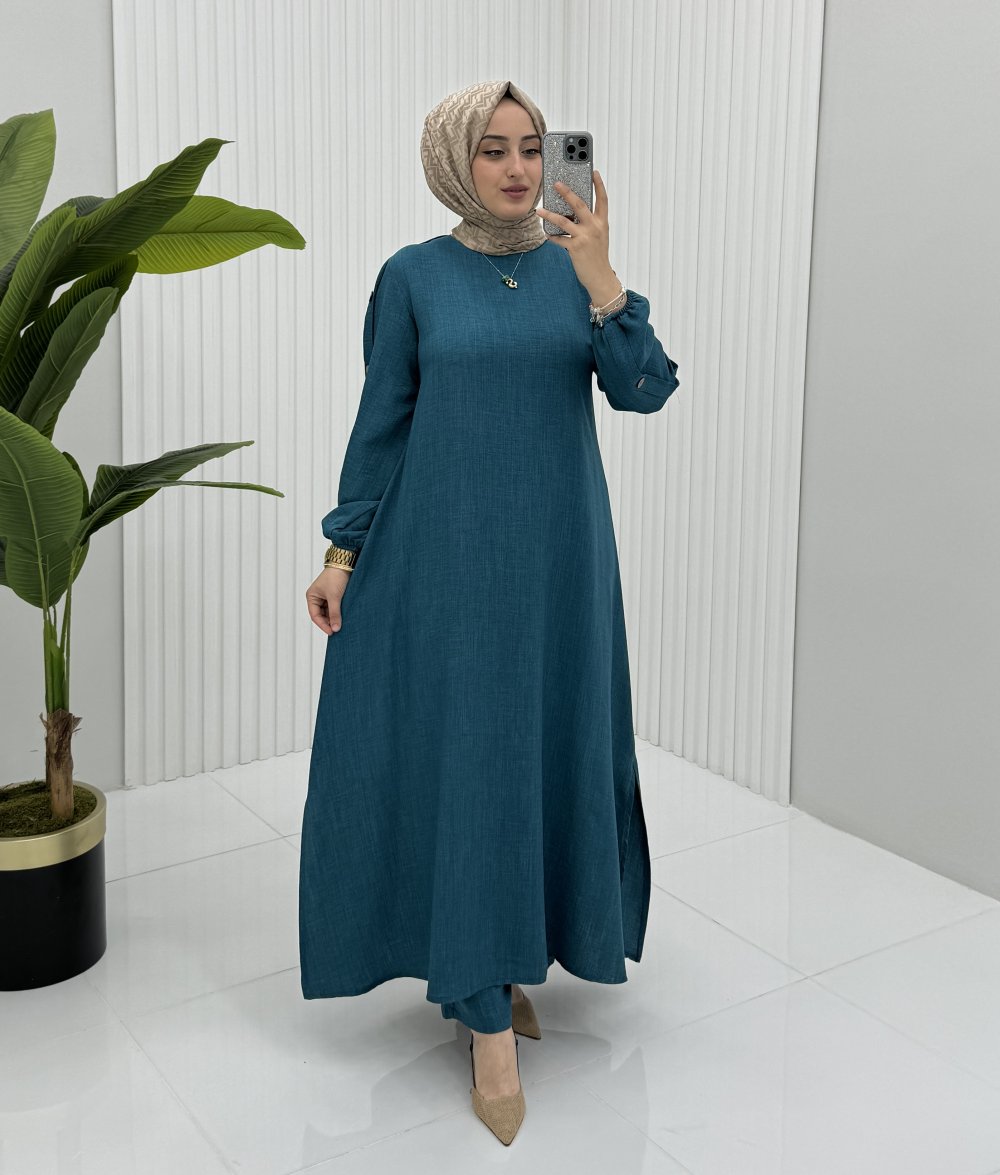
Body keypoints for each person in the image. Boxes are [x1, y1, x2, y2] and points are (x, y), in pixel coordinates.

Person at [299, 79, 680, 1146]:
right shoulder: (413, 276)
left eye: (532, 146)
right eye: (492, 148)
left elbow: (645, 389)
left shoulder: (574, 270)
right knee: (470, 764)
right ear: (453, 160)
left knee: (539, 753)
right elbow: (382, 421)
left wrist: (604, 280)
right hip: (444, 565)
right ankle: (483, 1015)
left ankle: (508, 959)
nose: (518, 168)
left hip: (560, 564)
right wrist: (342, 549)